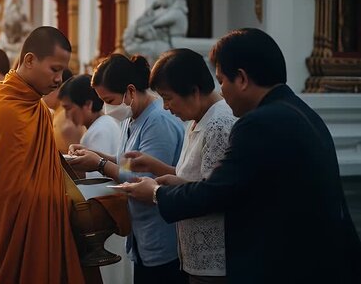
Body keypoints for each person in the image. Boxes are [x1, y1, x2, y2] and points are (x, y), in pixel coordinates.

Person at [118, 28, 361, 284]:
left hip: (290, 264)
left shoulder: (256, 123)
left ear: (242, 79)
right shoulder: (300, 111)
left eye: (222, 80)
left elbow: (216, 193)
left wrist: (156, 193)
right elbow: (239, 184)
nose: (221, 91)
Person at [0, 26, 85, 284]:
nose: (60, 79)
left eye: (62, 71)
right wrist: (53, 197)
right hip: (14, 235)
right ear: (29, 60)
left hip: (41, 225)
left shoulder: (37, 107)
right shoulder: (4, 110)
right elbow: (4, 194)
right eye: (54, 69)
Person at [69, 54, 186, 284]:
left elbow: (146, 181)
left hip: (162, 235)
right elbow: (128, 162)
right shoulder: (131, 118)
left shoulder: (158, 121)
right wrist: (94, 156)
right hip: (141, 235)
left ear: (130, 91)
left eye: (109, 100)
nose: (106, 108)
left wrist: (100, 165)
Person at [129, 48, 236, 283]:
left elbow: (213, 195)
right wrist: (164, 174)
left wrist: (158, 193)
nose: (166, 107)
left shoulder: (219, 124)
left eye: (168, 97)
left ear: (194, 91)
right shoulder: (195, 119)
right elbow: (195, 179)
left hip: (214, 260)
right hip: (192, 256)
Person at [58, 74, 131, 284]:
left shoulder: (100, 129)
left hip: (106, 214)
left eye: (69, 107)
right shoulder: (101, 126)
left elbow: (98, 184)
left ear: (88, 104)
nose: (67, 115)